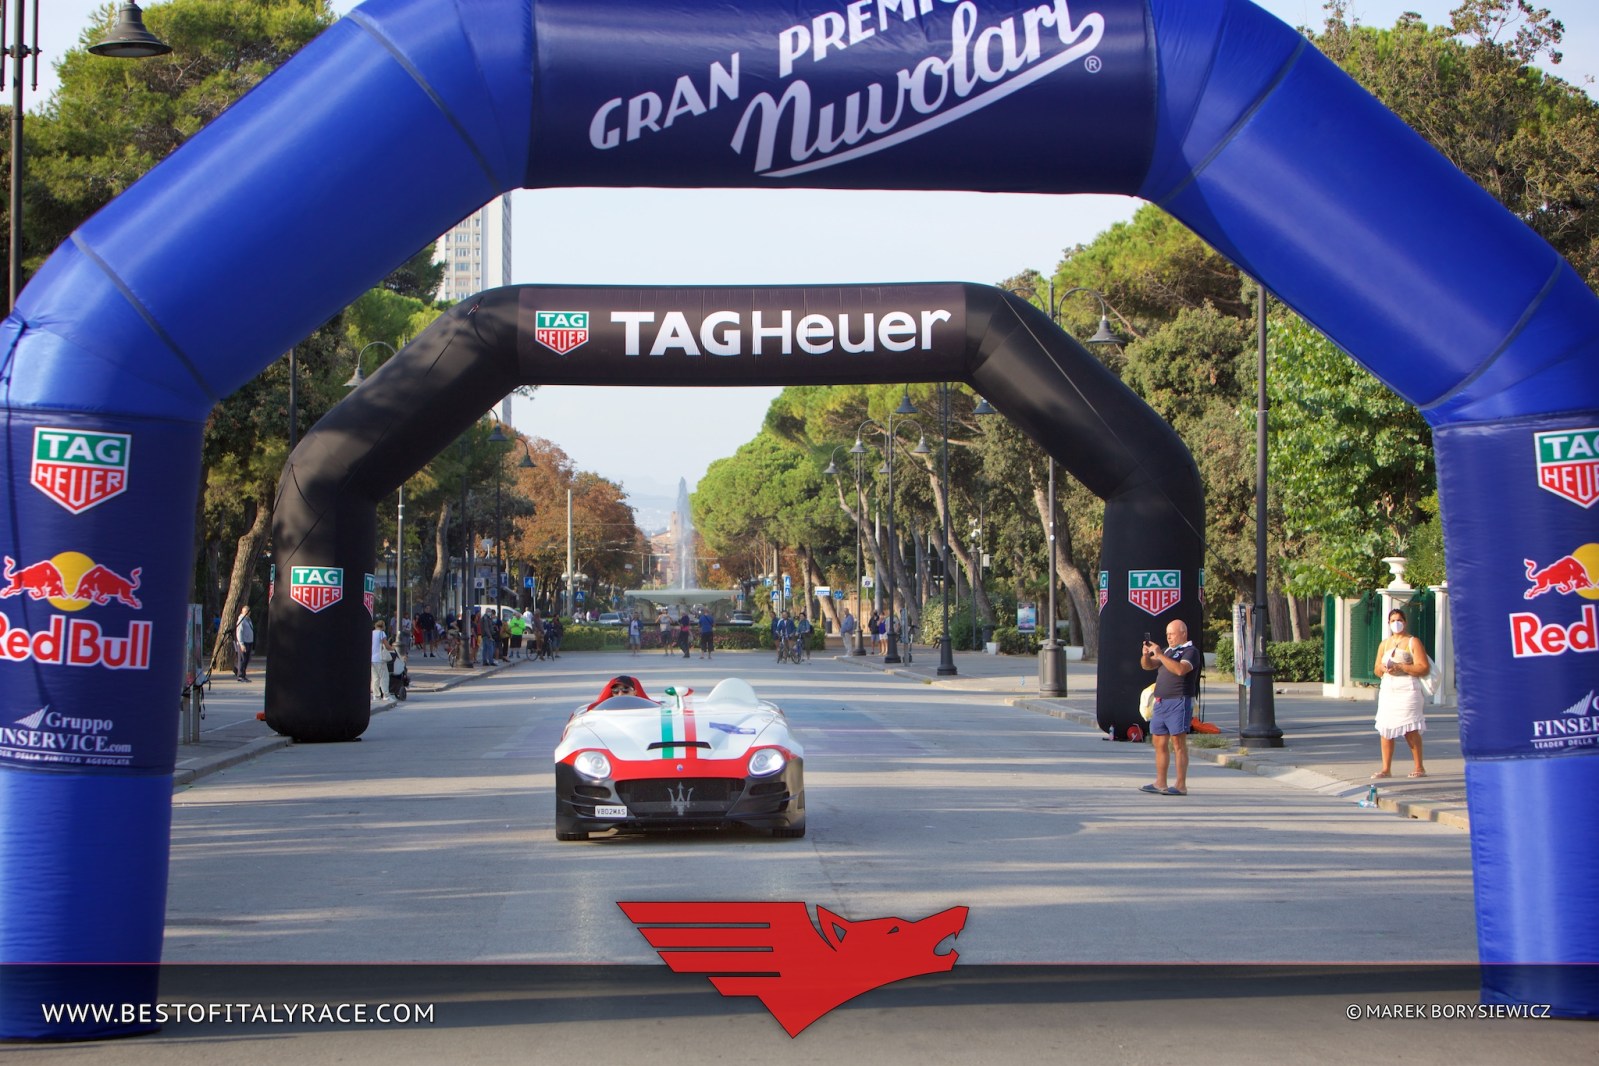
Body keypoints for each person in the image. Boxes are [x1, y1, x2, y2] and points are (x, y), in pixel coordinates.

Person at [1138, 619, 1199, 796]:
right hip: (1161, 702)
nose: (1169, 637)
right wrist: (1146, 655)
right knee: (1158, 742)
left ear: (1183, 633)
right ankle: (1160, 782)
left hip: (1179, 701)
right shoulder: (1167, 651)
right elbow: (1147, 666)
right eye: (1167, 634)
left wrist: (1160, 654)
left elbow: (1180, 670)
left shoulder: (1190, 651)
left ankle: (1180, 785)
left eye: (1172, 634)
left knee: (1178, 743)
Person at [1372, 606, 1430, 779]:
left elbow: (1423, 667)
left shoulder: (1413, 642)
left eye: (1399, 620)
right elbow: (1376, 668)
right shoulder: (1384, 644)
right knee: (1385, 728)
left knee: (1410, 728)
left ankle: (1419, 767)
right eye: (1393, 620)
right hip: (1388, 689)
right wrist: (1383, 668)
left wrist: (1402, 667)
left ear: (1405, 622)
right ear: (1388, 623)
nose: (1396, 623)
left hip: (1407, 688)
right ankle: (1386, 769)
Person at [586, 674, 650, 709]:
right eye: (615, 691)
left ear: (635, 692)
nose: (620, 694)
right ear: (612, 694)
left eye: (625, 690)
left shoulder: (644, 708)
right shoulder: (606, 709)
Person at [371, 619, 394, 699]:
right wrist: (393, 648)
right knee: (384, 677)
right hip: (380, 658)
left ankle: (376, 695)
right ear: (383, 626)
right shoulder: (381, 633)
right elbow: (387, 646)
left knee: (375, 678)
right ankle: (385, 695)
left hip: (372, 659)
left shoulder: (371, 633)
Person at [233, 605, 255, 681]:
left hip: (249, 642)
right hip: (244, 642)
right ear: (242, 612)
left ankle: (243, 675)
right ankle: (240, 675)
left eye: (248, 611)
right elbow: (239, 633)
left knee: (246, 660)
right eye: (245, 611)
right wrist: (241, 644)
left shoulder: (248, 620)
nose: (247, 613)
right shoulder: (241, 620)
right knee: (242, 659)